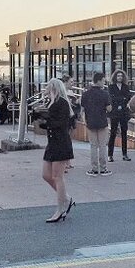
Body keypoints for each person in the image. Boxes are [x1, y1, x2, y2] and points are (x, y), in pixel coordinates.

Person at [38, 78, 75, 222]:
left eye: (48, 87)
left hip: (60, 142)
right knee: (46, 175)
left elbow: (60, 123)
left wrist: (44, 121)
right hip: (53, 142)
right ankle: (66, 198)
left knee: (57, 177)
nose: (46, 90)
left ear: (53, 87)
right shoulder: (52, 102)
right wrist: (43, 121)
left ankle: (61, 208)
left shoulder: (62, 103)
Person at [80, 72, 112, 176]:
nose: (104, 82)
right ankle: (103, 168)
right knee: (102, 145)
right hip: (102, 121)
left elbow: (82, 109)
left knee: (93, 146)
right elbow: (109, 108)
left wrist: (85, 120)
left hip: (90, 122)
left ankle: (94, 168)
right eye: (103, 80)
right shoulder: (105, 93)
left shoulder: (86, 94)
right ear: (99, 81)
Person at [107, 69, 132, 162]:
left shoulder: (126, 87)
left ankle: (125, 154)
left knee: (124, 133)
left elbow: (128, 97)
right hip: (114, 112)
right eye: (118, 76)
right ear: (115, 77)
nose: (120, 77)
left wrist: (121, 100)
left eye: (121, 76)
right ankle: (110, 155)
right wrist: (121, 100)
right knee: (113, 133)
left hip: (124, 113)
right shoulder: (111, 87)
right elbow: (111, 98)